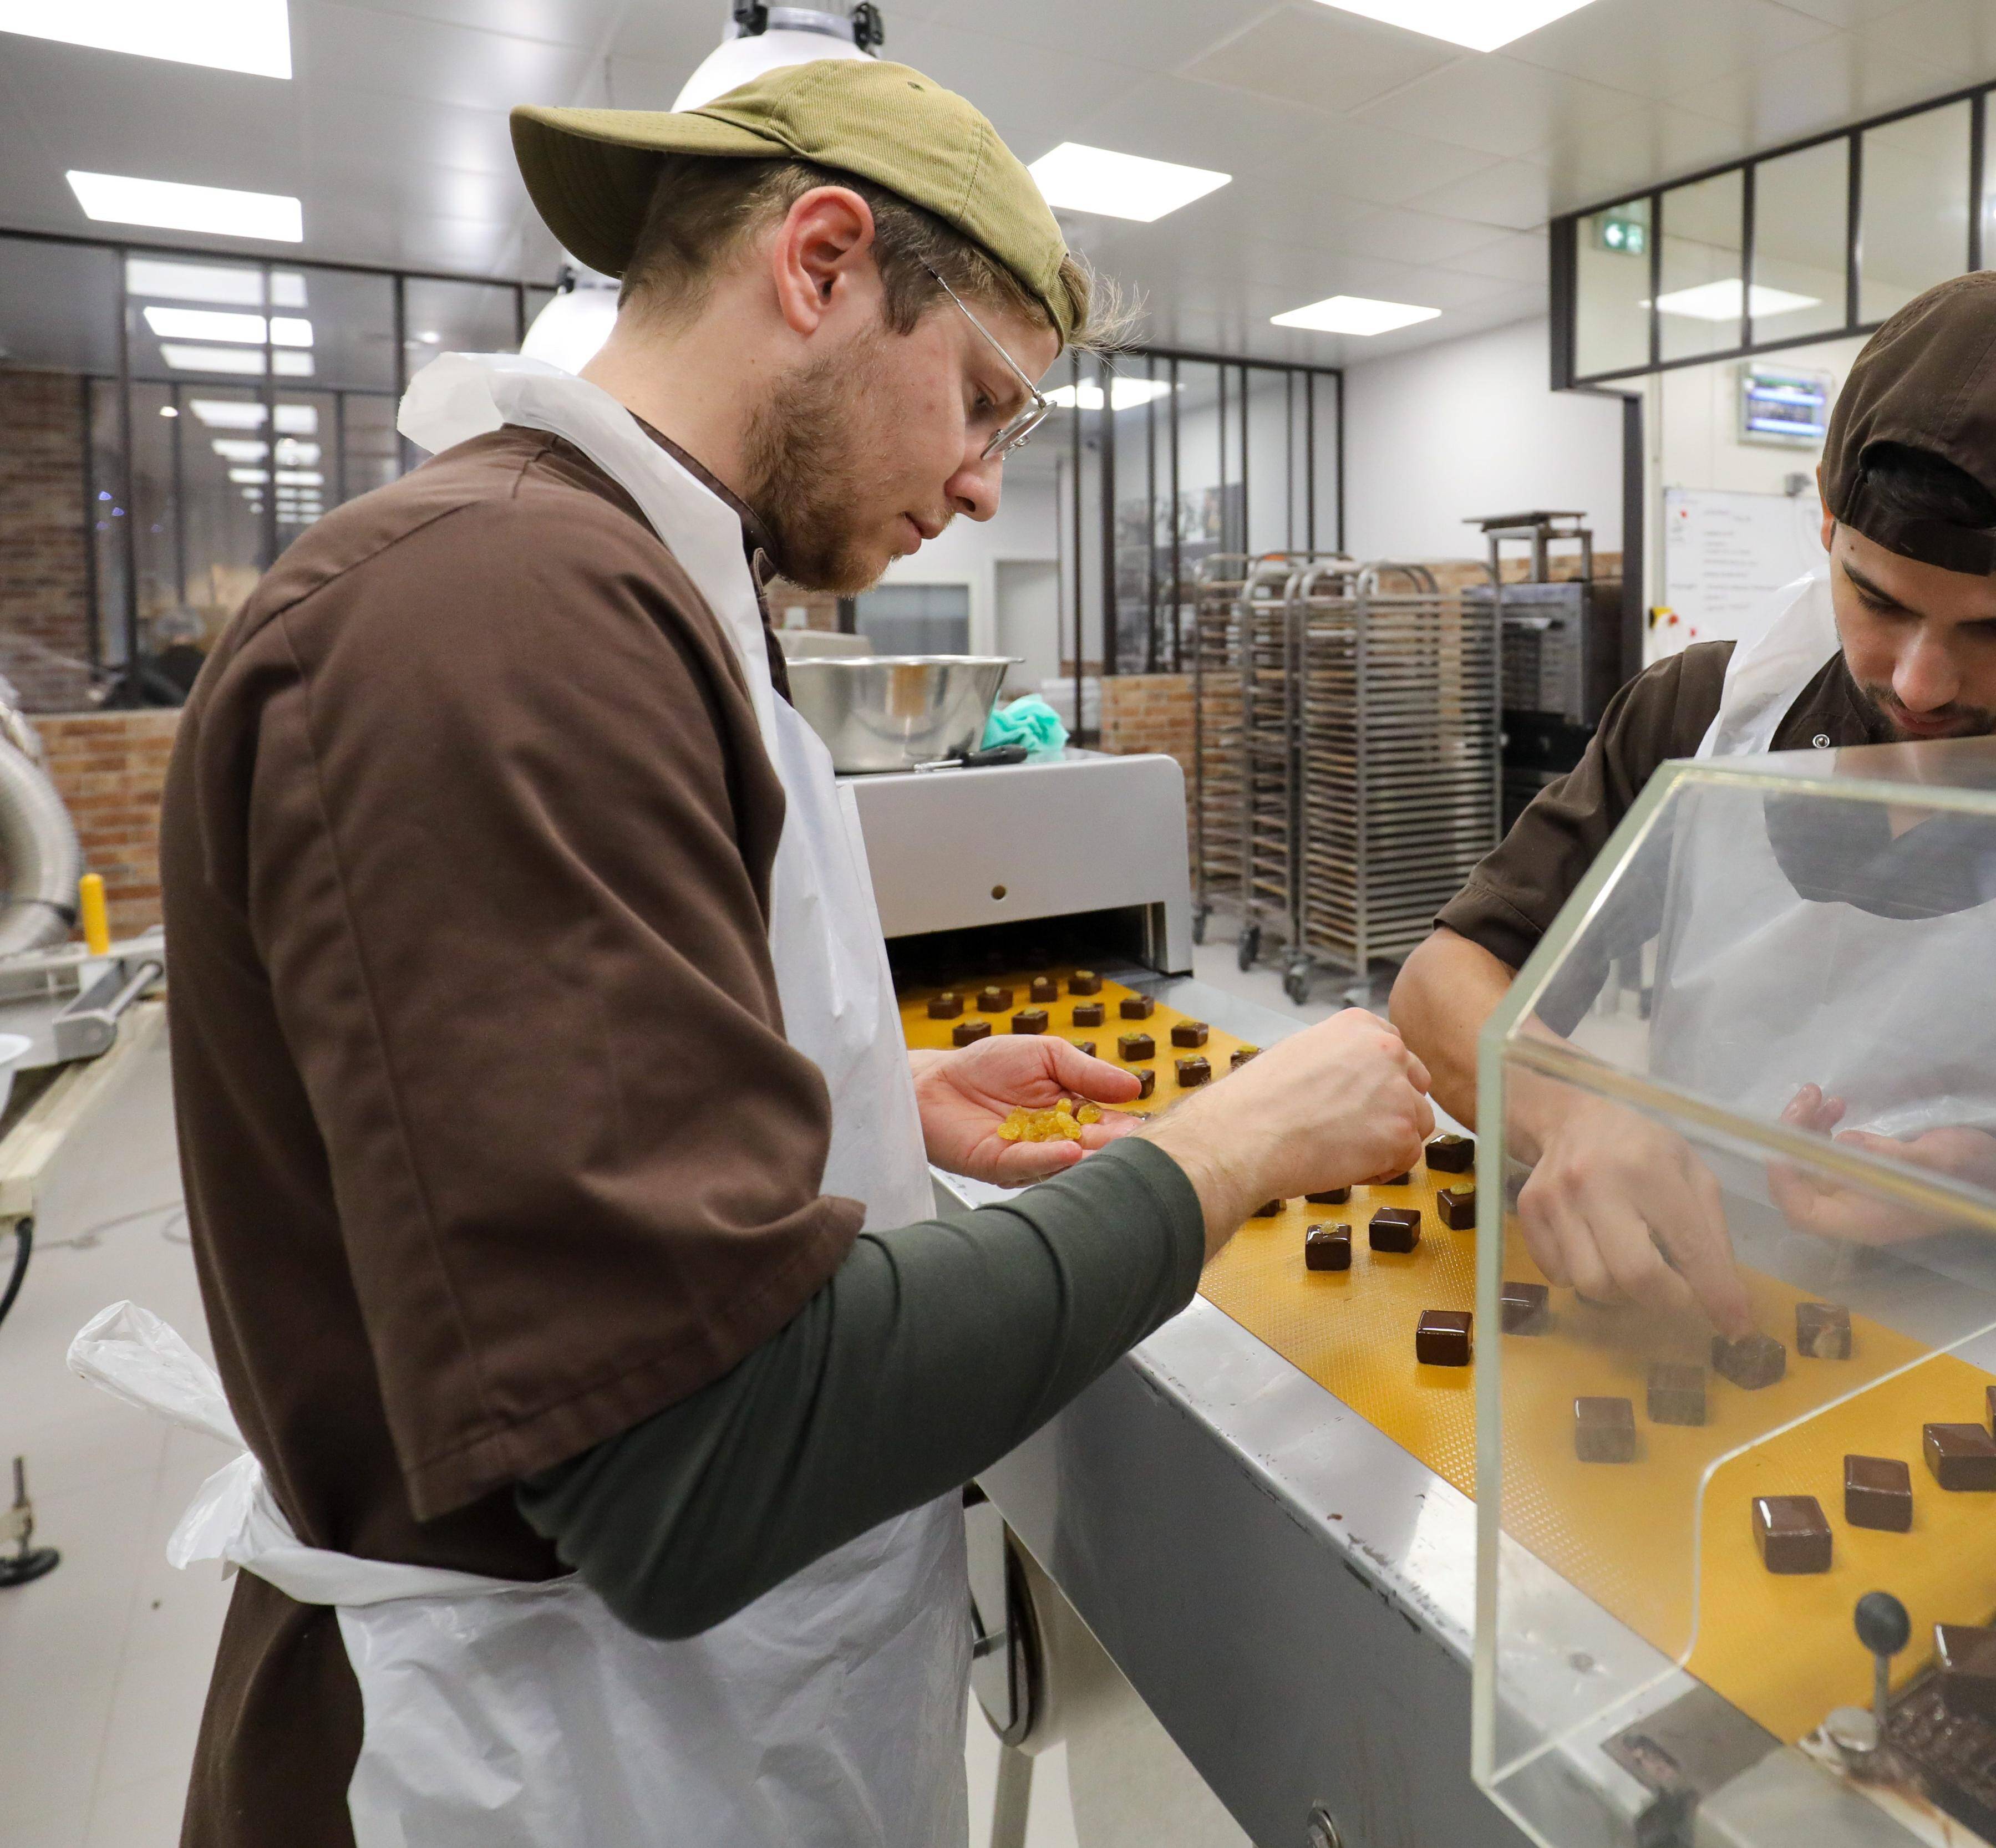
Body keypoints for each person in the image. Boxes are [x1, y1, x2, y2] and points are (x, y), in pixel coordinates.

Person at [159, 59, 1431, 1848]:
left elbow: (502, 1129)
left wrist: (857, 1102)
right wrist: (1232, 1148)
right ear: (821, 263)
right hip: (553, 1757)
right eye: (981, 400)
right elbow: (694, 1468)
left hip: (700, 1725)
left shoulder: (644, 589)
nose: (986, 487)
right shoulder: (493, 614)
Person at [1391, 270, 1996, 1337]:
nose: (1919, 683)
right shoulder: (1705, 714)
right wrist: (1573, 1109)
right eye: (1880, 600)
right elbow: (1446, 980)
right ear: (1823, 517)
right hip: (1696, 1308)